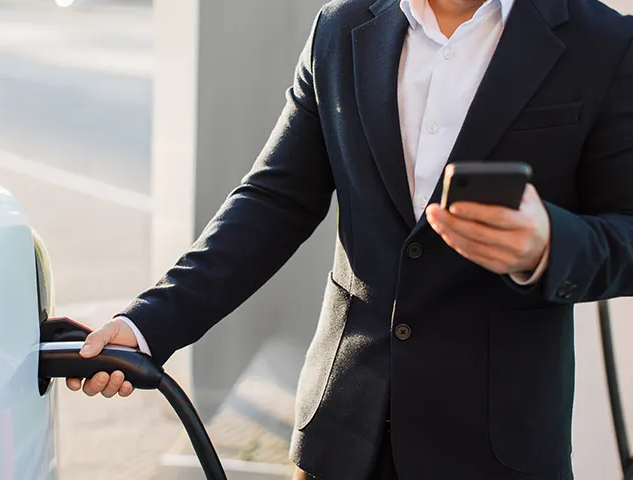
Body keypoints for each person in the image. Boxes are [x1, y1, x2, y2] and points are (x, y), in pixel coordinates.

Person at [65, 0, 633, 478]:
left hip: (498, 448)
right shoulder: (341, 25)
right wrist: (148, 325)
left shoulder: (602, 41)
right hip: (341, 437)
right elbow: (273, 201)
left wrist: (548, 246)